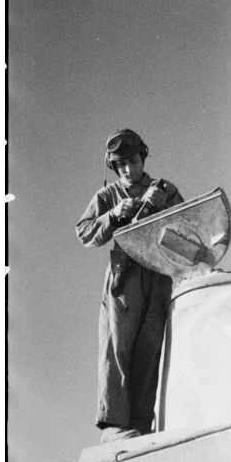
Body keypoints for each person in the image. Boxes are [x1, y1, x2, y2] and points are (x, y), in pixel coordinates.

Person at [76, 129, 184, 443]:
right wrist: (113, 215)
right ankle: (113, 425)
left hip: (158, 274)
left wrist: (161, 208)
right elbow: (84, 233)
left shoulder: (164, 190)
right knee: (117, 347)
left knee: (149, 351)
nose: (126, 169)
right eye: (120, 164)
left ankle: (140, 425)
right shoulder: (107, 196)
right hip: (124, 277)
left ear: (143, 157)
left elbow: (187, 226)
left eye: (132, 161)